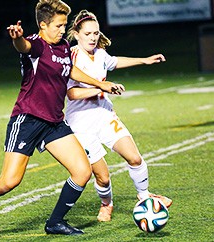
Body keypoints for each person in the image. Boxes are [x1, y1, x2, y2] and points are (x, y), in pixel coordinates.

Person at [0, 1, 122, 240]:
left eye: (64, 25)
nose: (63, 30)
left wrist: (99, 83)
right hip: (28, 120)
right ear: (43, 25)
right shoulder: (37, 45)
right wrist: (17, 37)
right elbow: (23, 47)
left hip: (54, 122)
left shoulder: (63, 45)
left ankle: (55, 222)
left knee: (82, 171)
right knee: (9, 181)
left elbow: (70, 70)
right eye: (58, 25)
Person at [65, 10, 172, 222]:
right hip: (81, 124)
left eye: (96, 33)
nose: (93, 37)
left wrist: (145, 60)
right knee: (102, 178)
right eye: (88, 34)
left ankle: (144, 197)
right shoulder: (71, 57)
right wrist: (102, 88)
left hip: (105, 115)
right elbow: (72, 93)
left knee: (134, 157)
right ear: (76, 34)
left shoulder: (100, 54)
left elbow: (114, 61)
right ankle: (106, 204)